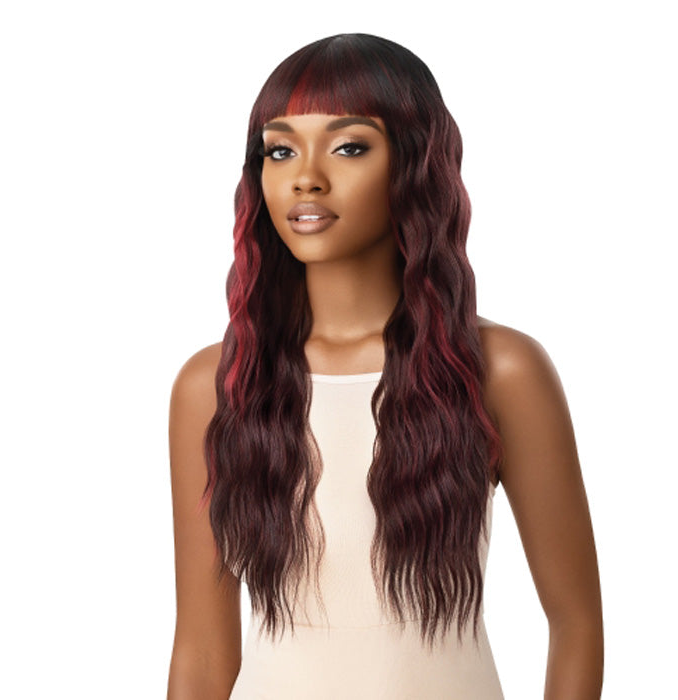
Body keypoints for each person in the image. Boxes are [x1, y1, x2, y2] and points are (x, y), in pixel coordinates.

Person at [166, 33, 604, 699]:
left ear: (414, 163)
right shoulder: (216, 386)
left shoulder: (501, 371)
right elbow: (201, 650)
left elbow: (575, 622)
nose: (306, 176)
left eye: (348, 147)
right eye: (280, 150)